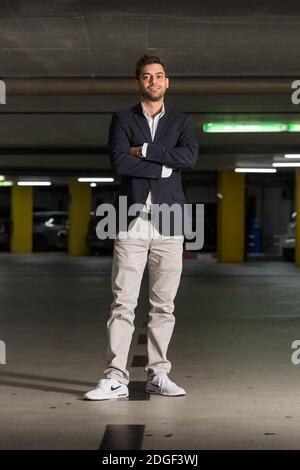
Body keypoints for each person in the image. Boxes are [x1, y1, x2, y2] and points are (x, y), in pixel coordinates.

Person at [84, 54, 198, 400]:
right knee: (123, 302)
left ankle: (158, 375)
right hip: (130, 220)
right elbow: (119, 161)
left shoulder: (181, 121)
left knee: (164, 305)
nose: (154, 81)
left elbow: (189, 158)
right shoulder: (122, 119)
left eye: (159, 76)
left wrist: (145, 150)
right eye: (147, 77)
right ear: (138, 82)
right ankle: (115, 376)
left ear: (168, 82)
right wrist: (164, 166)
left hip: (170, 222)